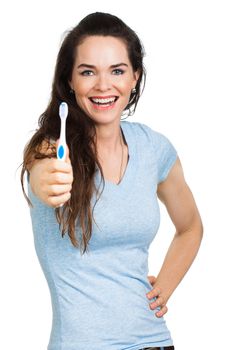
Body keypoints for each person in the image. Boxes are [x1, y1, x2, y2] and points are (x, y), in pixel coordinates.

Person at [21, 12, 203, 350]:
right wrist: (45, 181)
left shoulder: (154, 149)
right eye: (88, 72)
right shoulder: (51, 149)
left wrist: (165, 284)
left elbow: (191, 226)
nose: (104, 85)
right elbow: (42, 173)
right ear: (70, 81)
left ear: (135, 76)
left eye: (117, 70)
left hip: (155, 342)